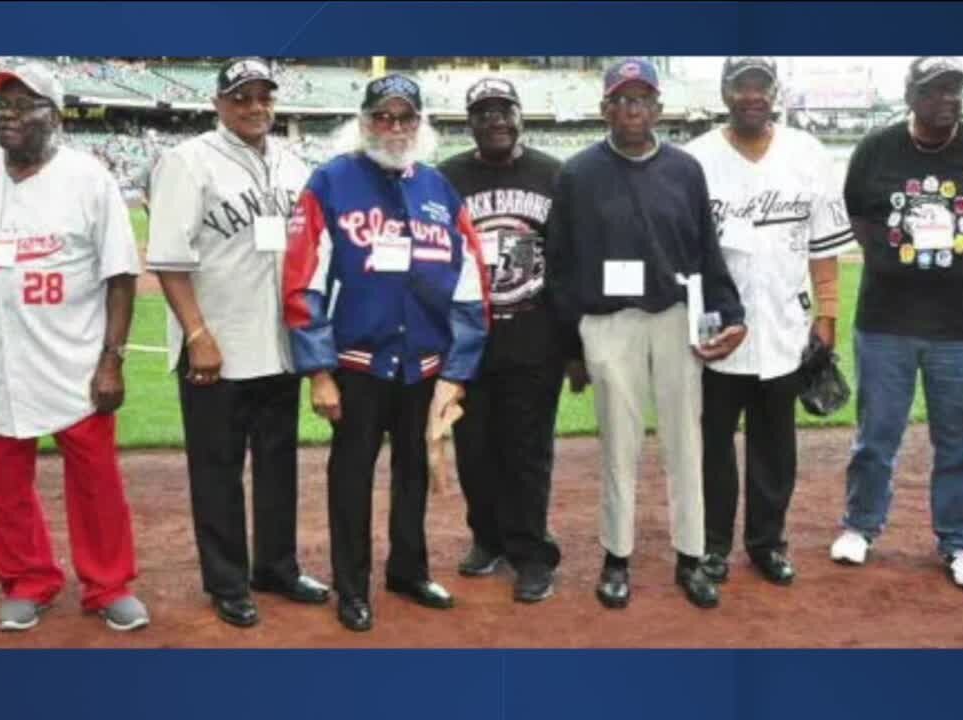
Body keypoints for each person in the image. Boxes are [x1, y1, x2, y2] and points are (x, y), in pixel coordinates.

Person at [0, 63, 149, 632]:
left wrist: (112, 360)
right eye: (0, 107)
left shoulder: (90, 178)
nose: (8, 116)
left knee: (97, 484)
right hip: (1, 361)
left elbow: (120, 276)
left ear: (55, 117)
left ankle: (108, 585)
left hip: (74, 362)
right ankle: (28, 580)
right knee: (8, 488)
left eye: (23, 106)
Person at [283, 74, 490, 631]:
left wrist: (459, 370)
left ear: (420, 124)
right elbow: (304, 282)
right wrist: (318, 372)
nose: (393, 127)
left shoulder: (440, 191)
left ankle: (408, 569)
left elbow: (471, 283)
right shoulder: (331, 182)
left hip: (422, 362)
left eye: (405, 117)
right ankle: (352, 586)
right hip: (357, 363)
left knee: (414, 472)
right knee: (351, 475)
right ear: (364, 119)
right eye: (383, 116)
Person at [545, 57, 745, 610]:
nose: (632, 109)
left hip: (676, 316)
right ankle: (616, 556)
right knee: (618, 444)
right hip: (608, 322)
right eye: (621, 99)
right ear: (605, 108)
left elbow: (705, 246)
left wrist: (729, 311)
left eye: (642, 99)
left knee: (687, 441)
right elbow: (558, 263)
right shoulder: (579, 172)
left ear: (658, 108)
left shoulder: (684, 168)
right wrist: (571, 347)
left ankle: (691, 555)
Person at [147, 57, 329, 628]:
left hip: (278, 343)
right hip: (216, 348)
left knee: (278, 465)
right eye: (242, 97)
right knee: (217, 468)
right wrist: (198, 334)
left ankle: (275, 565)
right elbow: (169, 261)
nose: (255, 107)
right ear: (219, 104)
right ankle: (227, 580)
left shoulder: (294, 163)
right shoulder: (187, 162)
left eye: (263, 97)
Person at [831, 57, 963, 590]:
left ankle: (961, 542)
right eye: (935, 91)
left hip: (962, 322)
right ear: (911, 95)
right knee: (876, 436)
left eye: (955, 90)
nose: (948, 100)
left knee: (960, 443)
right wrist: (897, 260)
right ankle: (861, 526)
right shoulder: (876, 149)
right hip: (886, 319)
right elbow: (859, 215)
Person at [685, 57, 853, 586]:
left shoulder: (806, 152)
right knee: (712, 445)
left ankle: (766, 543)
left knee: (774, 446)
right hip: (713, 328)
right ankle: (711, 546)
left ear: (776, 93)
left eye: (762, 86)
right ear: (725, 92)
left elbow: (823, 248)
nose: (753, 95)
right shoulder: (694, 160)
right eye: (742, 86)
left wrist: (827, 315)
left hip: (785, 323)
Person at [437, 77, 576, 603]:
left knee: (526, 452)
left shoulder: (552, 175)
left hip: (535, 338)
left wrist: (573, 348)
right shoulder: (446, 178)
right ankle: (487, 537)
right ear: (469, 121)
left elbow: (568, 262)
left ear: (521, 116)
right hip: (469, 342)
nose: (495, 120)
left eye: (504, 111)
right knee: (473, 450)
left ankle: (530, 552)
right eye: (484, 112)